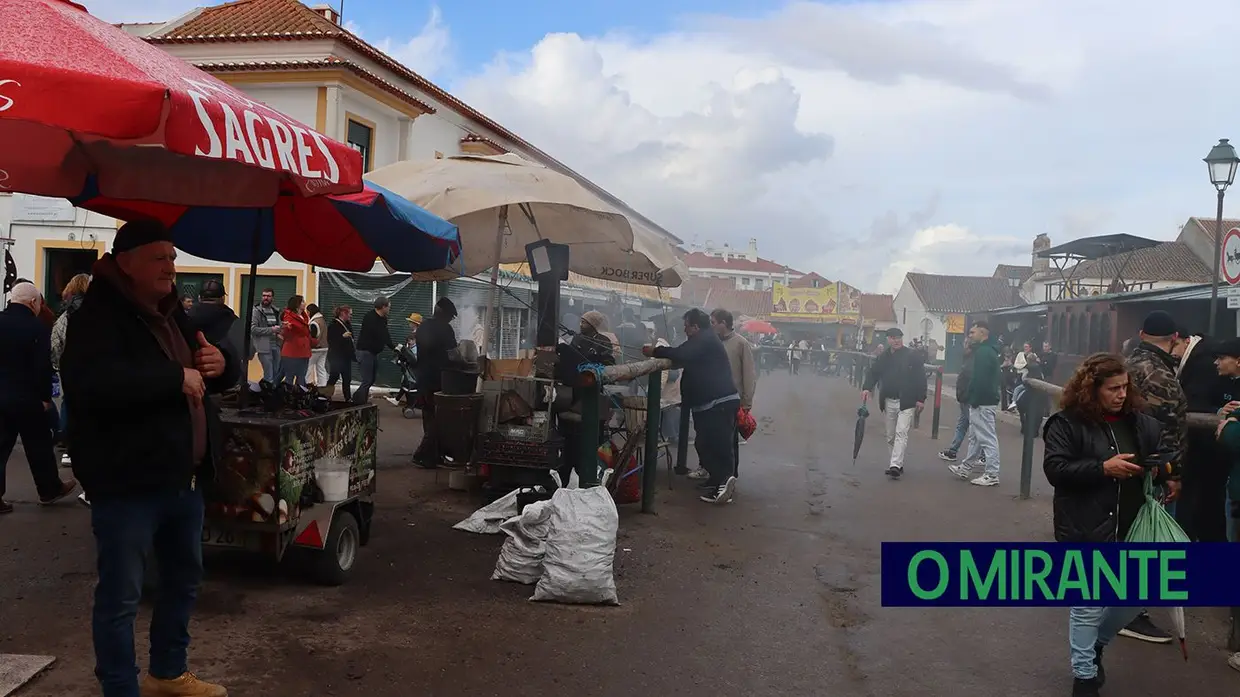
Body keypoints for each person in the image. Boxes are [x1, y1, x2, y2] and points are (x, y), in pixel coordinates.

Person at [60, 219, 240, 697]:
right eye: (159, 257)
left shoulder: (171, 311)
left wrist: (222, 364)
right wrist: (172, 379)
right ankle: (121, 689)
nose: (171, 266)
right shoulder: (95, 318)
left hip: (184, 479)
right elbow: (92, 386)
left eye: (173, 257)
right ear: (126, 262)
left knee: (182, 583)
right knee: (121, 597)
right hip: (127, 484)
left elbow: (203, 367)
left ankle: (167, 672)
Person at [1042, 353, 1170, 697]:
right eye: (1113, 388)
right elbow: (1056, 470)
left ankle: (1095, 644)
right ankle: (1084, 677)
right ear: (1091, 388)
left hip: (1132, 526)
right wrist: (1102, 468)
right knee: (1087, 603)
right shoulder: (1066, 424)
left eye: (1125, 387)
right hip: (1085, 526)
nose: (1121, 394)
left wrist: (1163, 471)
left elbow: (1160, 453)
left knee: (1138, 594)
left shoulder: (1139, 423)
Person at [1118, 311, 1185, 646]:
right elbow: (1165, 429)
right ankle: (1130, 612)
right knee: (1147, 539)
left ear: (1141, 333)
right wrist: (1172, 474)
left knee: (1127, 533)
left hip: (1120, 459)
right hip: (1148, 469)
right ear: (1173, 338)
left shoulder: (1124, 366)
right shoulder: (1162, 375)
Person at [645, 308, 739, 504]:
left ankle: (723, 486)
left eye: (686, 326)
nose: (684, 329)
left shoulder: (704, 340)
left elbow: (681, 355)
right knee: (705, 444)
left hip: (718, 402)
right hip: (708, 403)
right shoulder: (703, 339)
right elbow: (682, 357)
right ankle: (716, 480)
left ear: (695, 326)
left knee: (717, 446)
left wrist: (655, 351)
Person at [0, 282, 78, 514]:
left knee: (0, 447)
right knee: (39, 446)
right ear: (33, 302)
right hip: (27, 398)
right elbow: (41, 367)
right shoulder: (36, 327)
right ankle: (49, 489)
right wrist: (45, 396)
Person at [555, 310, 615, 486]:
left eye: (584, 322)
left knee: (587, 436)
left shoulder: (604, 342)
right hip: (573, 389)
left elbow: (609, 364)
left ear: (593, 324)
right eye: (580, 321)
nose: (581, 325)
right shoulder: (577, 339)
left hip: (591, 391)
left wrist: (592, 365)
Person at [860, 327, 925, 479]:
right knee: (890, 435)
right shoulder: (884, 357)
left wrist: (921, 399)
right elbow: (873, 372)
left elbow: (920, 377)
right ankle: (897, 463)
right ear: (888, 339)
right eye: (893, 338)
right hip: (888, 400)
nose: (896, 341)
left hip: (906, 400)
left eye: (899, 338)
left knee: (901, 432)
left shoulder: (912, 356)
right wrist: (866, 388)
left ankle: (894, 464)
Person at [950, 321, 1003, 486]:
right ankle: (966, 467)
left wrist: (974, 399)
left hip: (983, 402)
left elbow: (981, 379)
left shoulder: (984, 353)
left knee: (987, 437)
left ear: (983, 334)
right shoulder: (985, 351)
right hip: (982, 400)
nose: (969, 335)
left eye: (973, 332)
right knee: (975, 437)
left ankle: (992, 473)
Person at [711, 308, 757, 479]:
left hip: (733, 400)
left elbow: (749, 374)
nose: (711, 326)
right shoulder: (714, 342)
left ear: (724, 323)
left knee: (729, 442)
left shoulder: (741, 343)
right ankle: (714, 475)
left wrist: (746, 403)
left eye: (713, 322)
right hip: (714, 398)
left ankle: (729, 477)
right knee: (714, 440)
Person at [51, 272, 91, 468]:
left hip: (71, 367)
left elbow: (55, 344)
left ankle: (67, 444)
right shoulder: (100, 311)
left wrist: (59, 365)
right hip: (94, 367)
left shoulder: (66, 315)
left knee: (69, 402)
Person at [412, 298, 458, 467]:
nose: (450, 320)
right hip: (439, 380)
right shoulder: (446, 329)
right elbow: (453, 355)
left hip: (423, 378)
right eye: (450, 317)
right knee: (439, 420)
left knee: (429, 416)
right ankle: (422, 454)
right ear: (444, 315)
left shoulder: (423, 326)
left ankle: (433, 456)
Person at [352, 295, 395, 404]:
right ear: (383, 307)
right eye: (388, 307)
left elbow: (385, 334)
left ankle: (357, 397)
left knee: (371, 379)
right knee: (367, 379)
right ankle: (360, 402)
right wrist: (391, 346)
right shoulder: (370, 317)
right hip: (365, 351)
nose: (389, 309)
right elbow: (380, 334)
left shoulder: (383, 319)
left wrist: (393, 347)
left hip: (373, 352)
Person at [938, 342, 975, 463]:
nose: (963, 346)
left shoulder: (971, 362)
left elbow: (969, 381)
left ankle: (982, 456)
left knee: (975, 427)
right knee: (962, 424)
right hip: (964, 398)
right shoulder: (968, 360)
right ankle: (953, 451)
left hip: (967, 398)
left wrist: (964, 395)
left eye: (965, 344)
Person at [250, 287, 283, 383]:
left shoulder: (276, 311)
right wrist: (271, 330)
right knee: (269, 373)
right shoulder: (256, 311)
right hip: (263, 346)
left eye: (268, 296)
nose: (266, 298)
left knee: (276, 372)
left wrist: (282, 327)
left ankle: (271, 392)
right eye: (264, 295)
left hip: (276, 345)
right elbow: (253, 329)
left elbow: (278, 327)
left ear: (272, 298)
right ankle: (268, 394)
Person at [279, 294, 312, 385]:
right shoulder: (288, 316)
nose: (304, 303)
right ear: (297, 304)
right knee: (289, 377)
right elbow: (286, 331)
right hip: (292, 351)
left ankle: (300, 396)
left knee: (302, 376)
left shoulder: (304, 317)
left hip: (304, 351)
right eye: (302, 301)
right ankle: (287, 395)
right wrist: (286, 328)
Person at [326, 305, 356, 401]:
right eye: (349, 314)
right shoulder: (333, 325)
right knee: (334, 376)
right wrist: (342, 337)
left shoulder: (348, 324)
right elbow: (331, 341)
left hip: (346, 356)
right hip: (336, 356)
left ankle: (348, 398)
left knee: (347, 378)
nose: (351, 316)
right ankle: (327, 395)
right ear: (343, 313)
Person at [306, 303, 328, 387]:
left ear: (309, 311)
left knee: (309, 367)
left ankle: (307, 385)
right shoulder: (322, 319)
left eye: (307, 312)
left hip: (315, 349)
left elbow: (313, 336)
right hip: (325, 347)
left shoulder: (314, 323)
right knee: (321, 367)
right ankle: (322, 385)